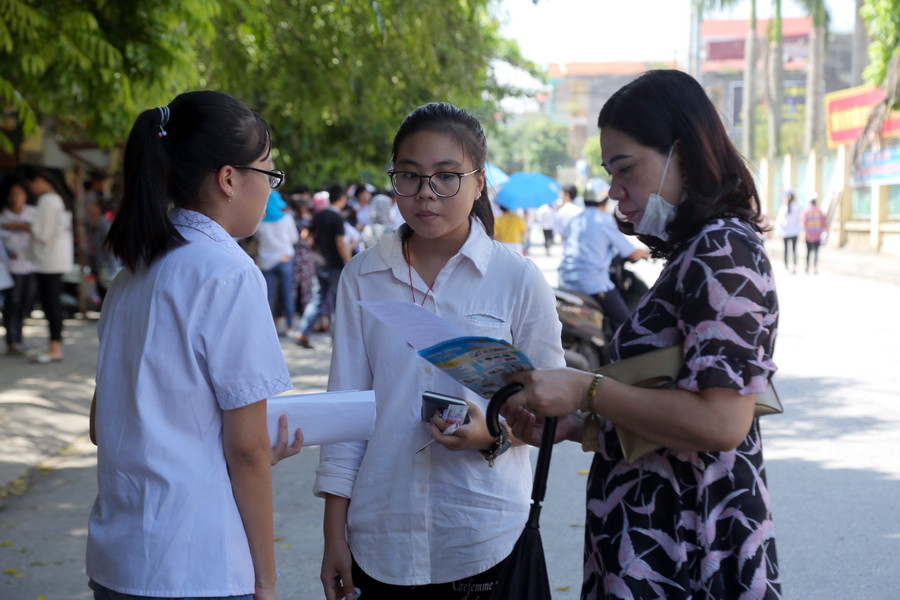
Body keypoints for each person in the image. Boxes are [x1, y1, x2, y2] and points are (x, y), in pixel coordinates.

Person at [503, 70, 781, 600]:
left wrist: (587, 389)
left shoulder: (724, 251)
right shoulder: (698, 250)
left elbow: (721, 422)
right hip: (654, 540)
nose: (614, 190)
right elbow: (668, 405)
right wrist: (578, 425)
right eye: (610, 172)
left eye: (626, 167)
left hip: (689, 546)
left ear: (684, 153)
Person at [315, 101, 565, 600]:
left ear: (479, 183)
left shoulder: (516, 279)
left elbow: (551, 408)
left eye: (447, 176)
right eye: (409, 176)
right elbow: (346, 413)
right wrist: (332, 536)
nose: (426, 193)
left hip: (484, 533)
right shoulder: (363, 276)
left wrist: (491, 434)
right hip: (380, 536)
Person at [86, 91, 303, 600]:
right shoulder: (229, 274)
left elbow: (103, 425)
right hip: (196, 564)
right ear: (228, 178)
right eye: (268, 174)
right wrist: (266, 578)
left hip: (118, 560)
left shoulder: (131, 275)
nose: (269, 189)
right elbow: (246, 450)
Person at [557, 178, 648, 334]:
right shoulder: (604, 220)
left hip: (566, 283)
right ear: (605, 200)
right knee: (626, 325)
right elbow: (632, 253)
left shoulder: (575, 220)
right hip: (593, 284)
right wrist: (648, 252)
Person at [18, 165, 74, 363]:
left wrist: (23, 226)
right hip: (57, 259)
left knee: (51, 304)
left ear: (39, 181)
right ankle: (54, 345)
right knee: (53, 303)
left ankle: (55, 347)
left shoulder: (47, 200)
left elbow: (42, 234)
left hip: (48, 260)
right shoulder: (59, 199)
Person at [295, 183, 351, 349]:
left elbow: (304, 234)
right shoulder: (337, 217)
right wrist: (349, 261)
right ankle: (336, 338)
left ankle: (302, 332)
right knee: (338, 302)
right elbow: (340, 242)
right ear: (341, 199)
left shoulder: (319, 214)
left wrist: (313, 245)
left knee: (317, 299)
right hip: (334, 264)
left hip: (318, 263)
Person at [0, 176, 37, 355]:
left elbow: (38, 229)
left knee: (26, 302)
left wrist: (18, 226)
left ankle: (19, 337)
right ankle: (12, 340)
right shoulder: (3, 215)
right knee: (12, 302)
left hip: (31, 264)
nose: (16, 198)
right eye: (13, 194)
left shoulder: (33, 212)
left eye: (19, 194)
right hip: (12, 266)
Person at [255, 189, 300, 335]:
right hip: (285, 259)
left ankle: (267, 328)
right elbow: (294, 239)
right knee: (287, 294)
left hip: (267, 262)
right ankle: (290, 326)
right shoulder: (287, 218)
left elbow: (257, 239)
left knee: (268, 296)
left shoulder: (260, 222)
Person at [775, 190, 801, 273]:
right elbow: (799, 219)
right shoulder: (797, 207)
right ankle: (794, 266)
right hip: (794, 231)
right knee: (794, 250)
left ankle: (786, 266)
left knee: (786, 250)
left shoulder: (783, 208)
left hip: (785, 232)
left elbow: (779, 221)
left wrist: (778, 231)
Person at [802, 197, 826, 274]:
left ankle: (807, 267)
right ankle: (815, 268)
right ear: (816, 203)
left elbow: (803, 222)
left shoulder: (806, 211)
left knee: (808, 252)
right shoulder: (820, 212)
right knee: (816, 252)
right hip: (817, 235)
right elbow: (824, 223)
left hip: (808, 235)